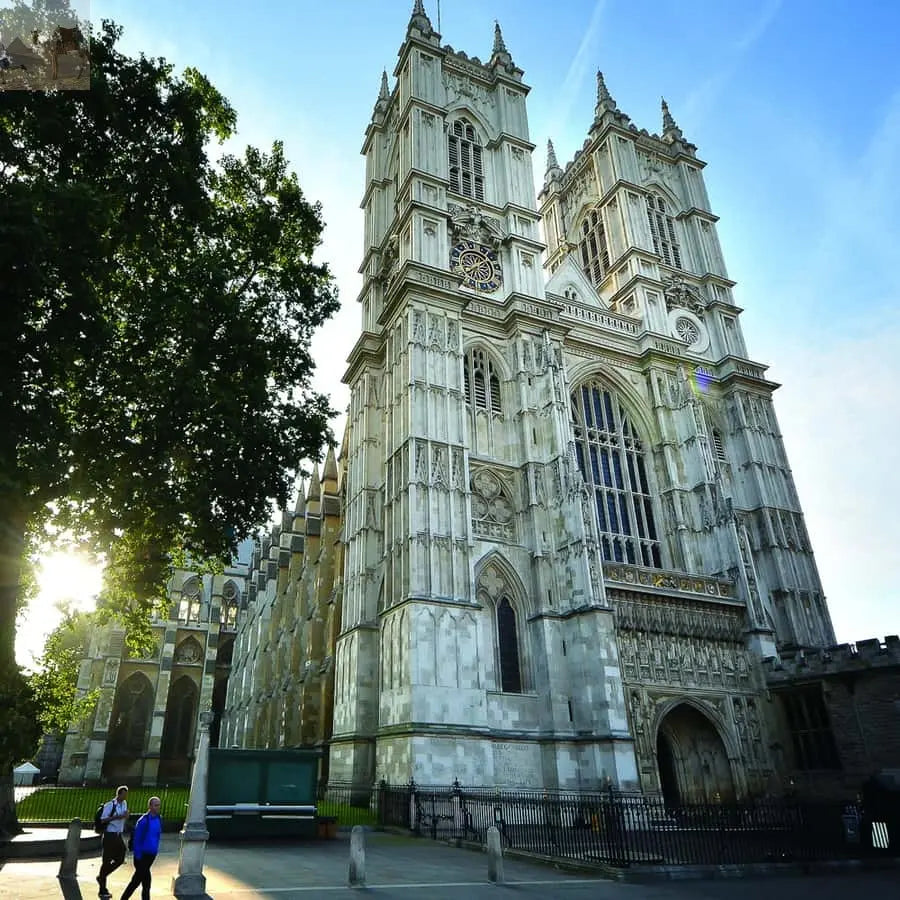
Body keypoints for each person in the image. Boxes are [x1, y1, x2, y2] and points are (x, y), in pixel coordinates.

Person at [120, 796, 162, 900]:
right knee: (143, 882)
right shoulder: (143, 821)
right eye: (155, 805)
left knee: (140, 881)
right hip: (142, 856)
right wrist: (138, 857)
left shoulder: (158, 819)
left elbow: (156, 836)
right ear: (150, 806)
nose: (157, 807)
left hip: (151, 855)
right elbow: (137, 840)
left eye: (158, 805)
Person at [96, 785, 129, 899]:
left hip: (118, 835)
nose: (125, 796)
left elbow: (124, 817)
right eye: (124, 794)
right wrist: (117, 817)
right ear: (119, 794)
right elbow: (103, 819)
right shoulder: (110, 805)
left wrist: (126, 816)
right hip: (109, 835)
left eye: (126, 794)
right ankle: (102, 889)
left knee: (121, 857)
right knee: (106, 861)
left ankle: (102, 876)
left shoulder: (124, 804)